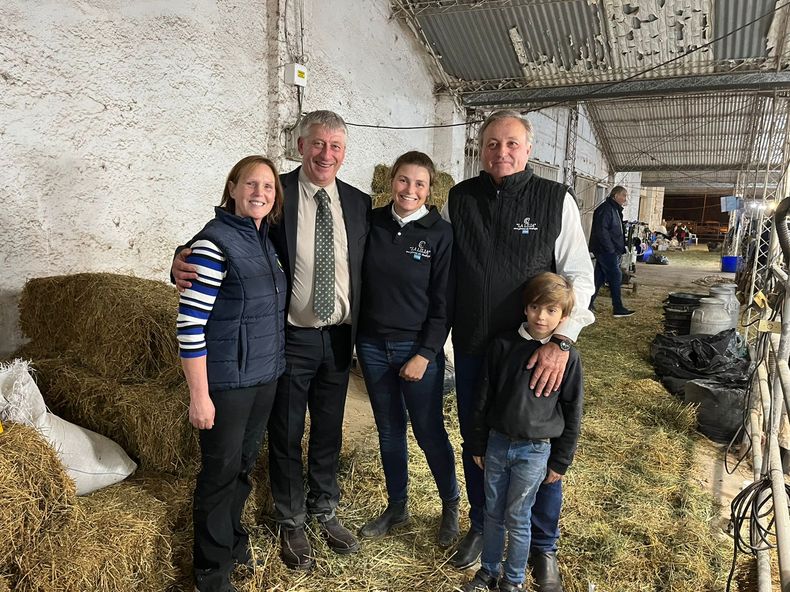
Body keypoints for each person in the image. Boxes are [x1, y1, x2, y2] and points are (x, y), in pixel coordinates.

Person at [173, 111, 371, 571]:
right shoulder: (275, 192)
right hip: (289, 339)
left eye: (336, 146)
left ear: (344, 153)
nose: (327, 154)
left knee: (328, 429)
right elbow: (223, 240)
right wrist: (178, 262)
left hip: (340, 337)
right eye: (317, 144)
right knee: (285, 432)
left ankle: (325, 508)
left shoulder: (360, 203)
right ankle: (291, 517)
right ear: (300, 146)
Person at [443, 109, 594, 592]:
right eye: (491, 143)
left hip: (533, 355)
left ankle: (543, 546)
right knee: (479, 442)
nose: (501, 152)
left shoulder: (555, 199)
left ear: (529, 150)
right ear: (479, 148)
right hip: (473, 348)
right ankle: (483, 526)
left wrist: (562, 341)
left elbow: (579, 276)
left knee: (538, 448)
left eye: (511, 144)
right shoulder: (460, 198)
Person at [177, 155, 287, 592]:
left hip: (263, 376)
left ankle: (232, 538)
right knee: (219, 473)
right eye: (251, 184)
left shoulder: (265, 241)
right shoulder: (212, 244)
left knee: (242, 467)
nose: (259, 193)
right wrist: (199, 396)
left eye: (268, 187)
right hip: (226, 384)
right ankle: (210, 569)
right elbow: (189, 325)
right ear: (233, 188)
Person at [355, 151, 460, 546]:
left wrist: (424, 353)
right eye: (403, 180)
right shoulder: (372, 222)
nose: (409, 190)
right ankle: (397, 506)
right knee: (389, 431)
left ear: (430, 189)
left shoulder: (439, 233)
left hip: (415, 349)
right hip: (371, 345)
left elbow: (443, 302)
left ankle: (450, 505)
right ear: (391, 181)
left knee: (429, 431)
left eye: (419, 183)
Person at [462, 273, 583, 592]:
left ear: (564, 316)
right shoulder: (502, 345)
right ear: (524, 307)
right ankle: (488, 571)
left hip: (535, 450)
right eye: (534, 307)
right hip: (497, 445)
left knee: (518, 515)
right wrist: (478, 441)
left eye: (551, 310)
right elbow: (482, 397)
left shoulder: (568, 359)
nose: (541, 317)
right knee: (492, 511)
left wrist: (561, 460)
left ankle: (512, 580)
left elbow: (573, 410)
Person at [588, 186, 635, 318]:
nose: (625, 199)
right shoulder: (606, 209)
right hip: (606, 250)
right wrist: (611, 249)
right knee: (615, 277)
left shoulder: (614, 209)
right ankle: (618, 308)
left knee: (599, 278)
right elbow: (602, 231)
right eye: (624, 195)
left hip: (609, 250)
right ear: (615, 196)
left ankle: (587, 304)